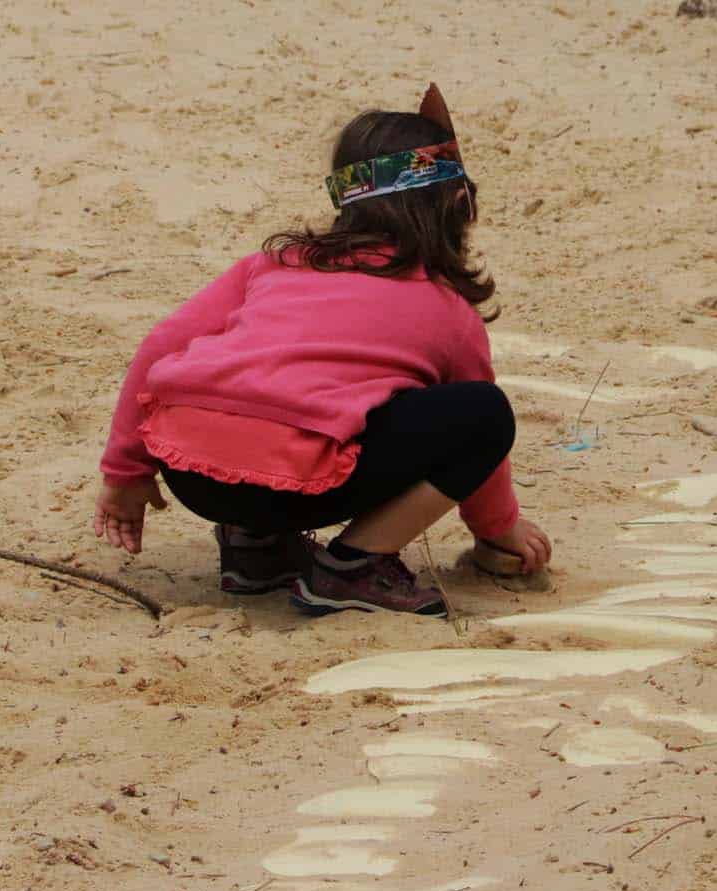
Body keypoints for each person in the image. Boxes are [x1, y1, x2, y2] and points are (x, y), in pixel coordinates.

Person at [92, 85, 552, 618]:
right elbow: (478, 445)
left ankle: (256, 546)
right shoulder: (447, 308)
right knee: (482, 413)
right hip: (298, 482)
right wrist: (498, 531)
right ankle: (355, 567)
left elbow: (160, 346)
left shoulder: (274, 264)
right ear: (456, 205)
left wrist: (125, 473)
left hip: (191, 470)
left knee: (265, 380)